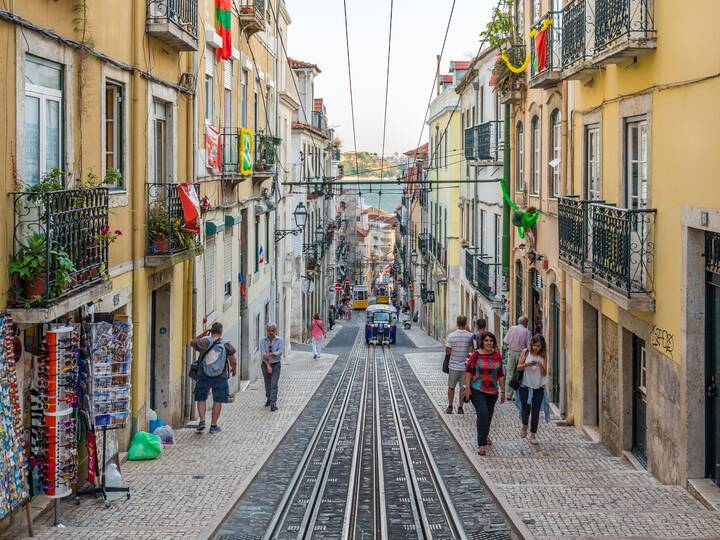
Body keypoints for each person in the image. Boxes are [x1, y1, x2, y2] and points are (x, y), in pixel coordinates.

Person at [191, 322, 237, 433]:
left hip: (203, 374)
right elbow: (233, 360)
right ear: (221, 332)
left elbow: (192, 342)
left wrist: (202, 334)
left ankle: (202, 421)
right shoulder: (226, 344)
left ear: (211, 331)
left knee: (201, 397)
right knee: (218, 400)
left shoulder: (204, 341)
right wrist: (234, 368)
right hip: (220, 375)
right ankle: (213, 425)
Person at [464, 332, 505, 455]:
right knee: (483, 414)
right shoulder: (476, 355)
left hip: (492, 391)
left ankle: (485, 435)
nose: (488, 343)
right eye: (486, 340)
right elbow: (469, 371)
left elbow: (500, 375)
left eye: (491, 341)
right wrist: (467, 388)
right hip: (477, 389)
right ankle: (481, 444)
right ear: (482, 342)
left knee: (488, 416)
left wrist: (503, 391)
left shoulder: (497, 355)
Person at [517, 334, 549, 444]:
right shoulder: (525, 352)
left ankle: (533, 435)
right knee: (525, 410)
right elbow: (518, 367)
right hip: (525, 385)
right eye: (534, 345)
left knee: (535, 411)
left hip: (538, 386)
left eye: (538, 346)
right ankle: (525, 425)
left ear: (542, 346)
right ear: (531, 344)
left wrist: (540, 365)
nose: (535, 348)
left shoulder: (544, 355)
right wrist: (527, 364)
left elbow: (545, 373)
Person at [444, 315, 475, 414]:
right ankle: (460, 408)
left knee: (451, 387)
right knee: (463, 388)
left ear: (457, 323)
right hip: (465, 367)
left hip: (453, 366)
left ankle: (450, 406)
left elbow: (447, 351)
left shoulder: (451, 336)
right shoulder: (470, 336)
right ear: (466, 323)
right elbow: (472, 350)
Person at [503, 316, 532, 400]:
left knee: (510, 373)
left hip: (511, 352)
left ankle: (508, 394)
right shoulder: (527, 332)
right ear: (525, 323)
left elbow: (505, 341)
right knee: (519, 374)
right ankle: (516, 395)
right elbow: (528, 346)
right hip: (521, 353)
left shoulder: (512, 328)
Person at [260, 324, 285, 411]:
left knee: (274, 384)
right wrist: (268, 365)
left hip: (276, 365)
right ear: (267, 331)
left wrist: (271, 353)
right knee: (267, 384)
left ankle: (273, 403)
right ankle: (269, 398)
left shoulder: (280, 340)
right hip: (265, 364)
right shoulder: (263, 341)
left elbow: (280, 351)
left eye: (272, 331)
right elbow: (263, 355)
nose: (271, 332)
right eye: (269, 331)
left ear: (275, 331)